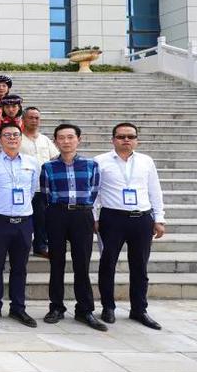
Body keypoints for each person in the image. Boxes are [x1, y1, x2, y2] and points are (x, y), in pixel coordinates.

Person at [94, 122, 166, 330]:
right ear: (113, 140)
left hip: (141, 218)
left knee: (140, 266)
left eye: (130, 136)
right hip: (112, 218)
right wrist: (94, 217)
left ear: (137, 140)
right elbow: (94, 192)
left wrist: (159, 218)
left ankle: (139, 309)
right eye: (121, 136)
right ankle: (108, 307)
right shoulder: (100, 161)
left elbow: (154, 190)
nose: (126, 140)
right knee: (107, 264)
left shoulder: (146, 161)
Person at [41, 123, 106, 331]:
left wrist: (84, 210)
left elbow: (94, 191)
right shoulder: (48, 167)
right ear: (55, 141)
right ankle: (56, 307)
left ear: (79, 139)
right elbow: (46, 194)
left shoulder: (91, 165)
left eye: (70, 137)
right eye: (61, 138)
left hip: (82, 215)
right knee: (56, 263)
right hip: (57, 214)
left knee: (82, 264)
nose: (66, 141)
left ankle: (85, 310)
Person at [0, 122, 41, 327]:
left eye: (16, 134)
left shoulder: (32, 162)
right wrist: (0, 206)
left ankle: (18, 308)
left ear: (21, 138)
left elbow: (31, 190)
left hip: (24, 222)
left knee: (20, 267)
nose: (12, 138)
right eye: (7, 135)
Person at [21, 107, 57, 257]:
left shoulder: (45, 139)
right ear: (23, 119)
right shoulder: (18, 138)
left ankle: (40, 246)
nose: (34, 121)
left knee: (42, 218)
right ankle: (20, 247)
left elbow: (54, 157)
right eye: (31, 117)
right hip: (23, 186)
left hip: (42, 187)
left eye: (37, 118)